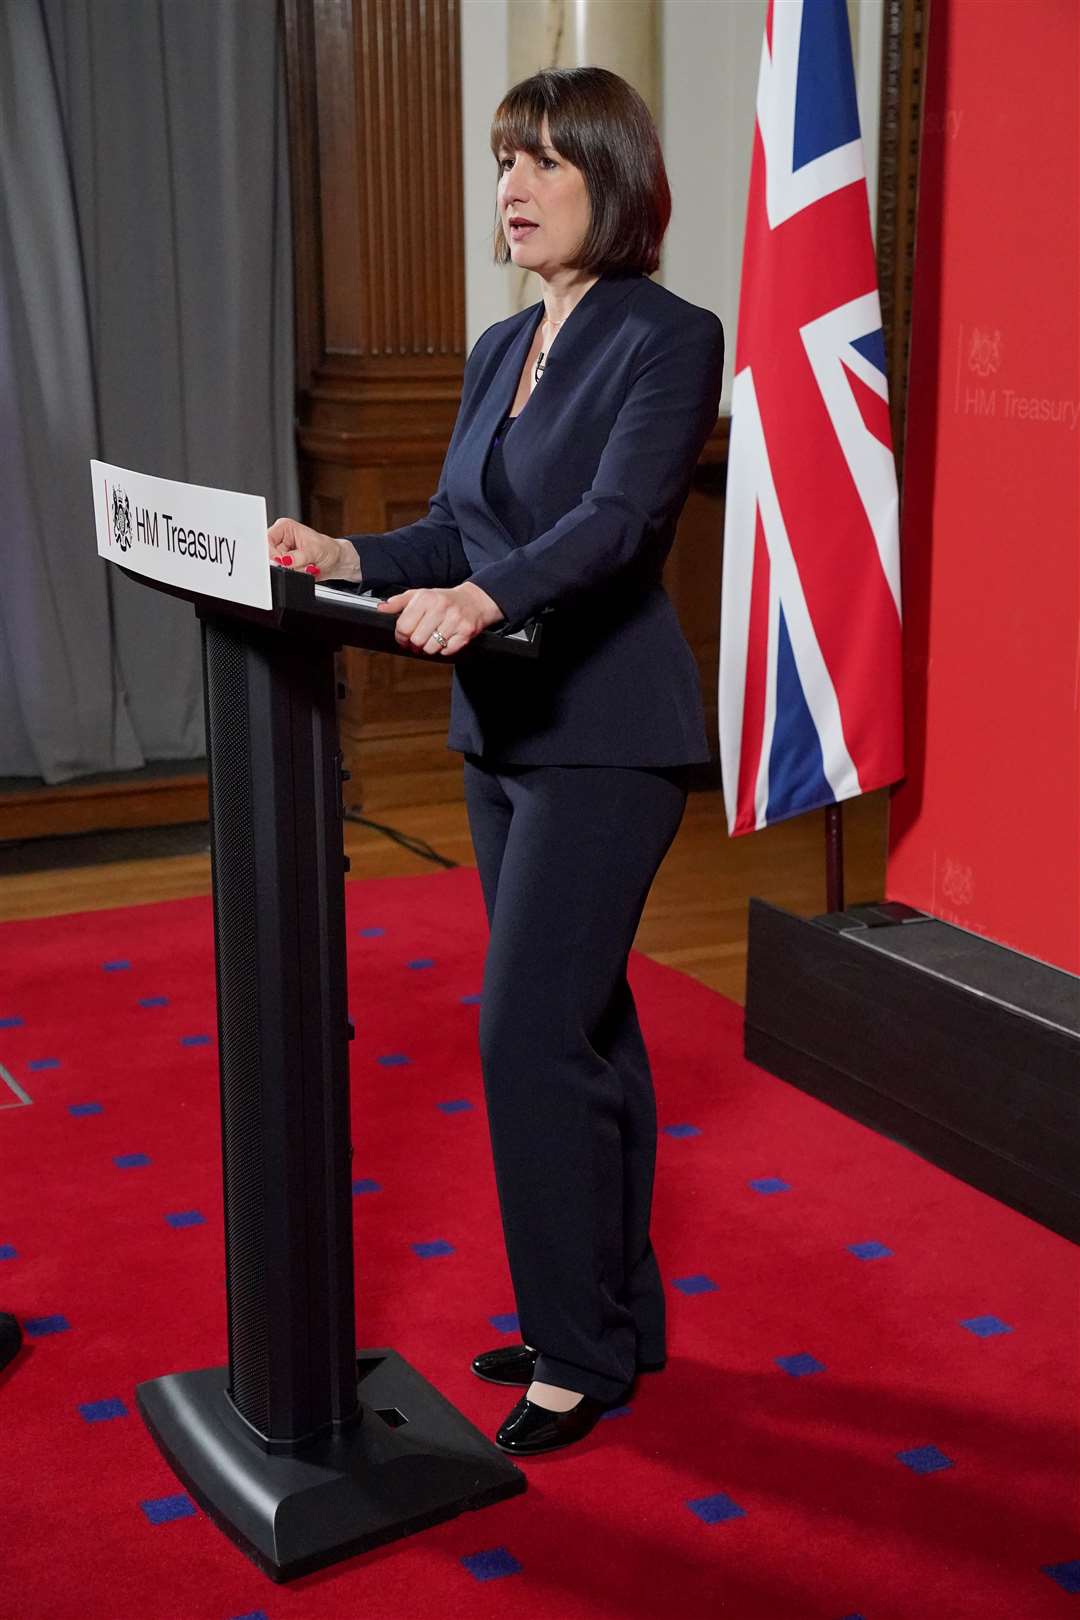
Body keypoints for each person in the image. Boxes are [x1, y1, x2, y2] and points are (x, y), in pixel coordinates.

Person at [267, 66, 724, 1457]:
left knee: (524, 1027)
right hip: (500, 738)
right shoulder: (493, 349)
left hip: (606, 738)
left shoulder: (668, 334)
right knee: (588, 1029)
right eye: (500, 161)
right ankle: (612, 1316)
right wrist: (353, 556)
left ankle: (574, 1353)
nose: (511, 188)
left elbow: (616, 519)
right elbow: (460, 529)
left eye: (540, 161)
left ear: (615, 182)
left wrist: (486, 601)